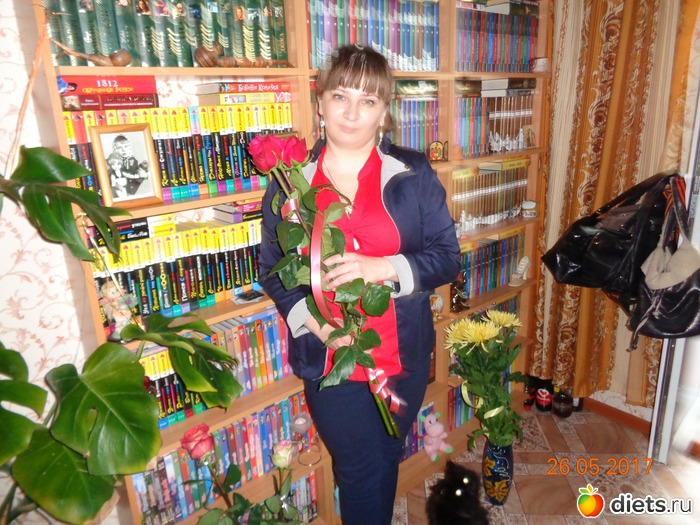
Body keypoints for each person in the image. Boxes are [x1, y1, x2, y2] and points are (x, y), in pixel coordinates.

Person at [258, 45, 461, 524]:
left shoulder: (412, 173)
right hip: (332, 361)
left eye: (368, 100)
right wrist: (320, 327)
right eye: (340, 96)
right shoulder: (290, 181)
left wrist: (382, 267)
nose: (352, 112)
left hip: (402, 360)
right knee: (360, 471)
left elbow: (447, 258)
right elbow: (272, 269)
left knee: (384, 462)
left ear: (384, 111)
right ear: (321, 103)